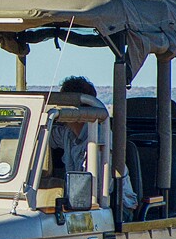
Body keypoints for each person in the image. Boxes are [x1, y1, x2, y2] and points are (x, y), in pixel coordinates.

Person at [51, 76, 139, 213]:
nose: (58, 107)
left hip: (115, 208)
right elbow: (45, 136)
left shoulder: (99, 138)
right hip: (81, 201)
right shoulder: (68, 132)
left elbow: (97, 191)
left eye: (62, 102)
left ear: (75, 108)